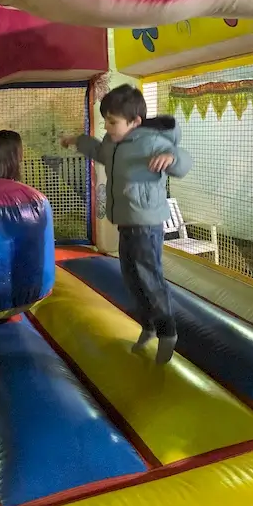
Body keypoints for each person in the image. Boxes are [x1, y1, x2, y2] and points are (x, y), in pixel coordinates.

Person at [61, 84, 192, 364]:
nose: (107, 127)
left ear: (135, 122)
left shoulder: (151, 142)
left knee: (149, 276)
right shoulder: (112, 142)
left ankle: (168, 332)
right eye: (106, 120)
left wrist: (171, 158)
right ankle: (148, 326)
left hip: (147, 224)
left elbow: (182, 162)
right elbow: (98, 151)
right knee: (131, 277)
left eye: (112, 121)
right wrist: (77, 140)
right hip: (125, 223)